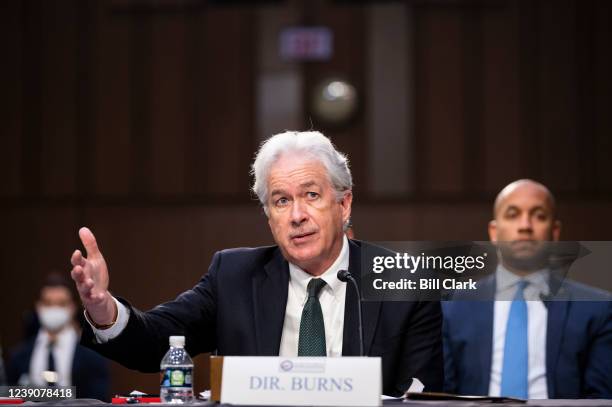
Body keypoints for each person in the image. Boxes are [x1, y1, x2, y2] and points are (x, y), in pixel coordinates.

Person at [70, 131, 443, 396]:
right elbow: (156, 343)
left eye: (311, 195)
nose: (296, 215)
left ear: (343, 205)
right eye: (281, 201)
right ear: (270, 218)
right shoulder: (234, 276)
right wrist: (105, 310)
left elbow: (422, 393)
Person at [442, 179, 612, 399]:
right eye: (512, 214)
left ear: (555, 232)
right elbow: (442, 396)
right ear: (494, 232)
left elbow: (600, 400)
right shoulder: (453, 306)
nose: (525, 226)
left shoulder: (597, 310)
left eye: (539, 215)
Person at [6, 273, 110, 400]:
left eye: (61, 303)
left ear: (72, 307)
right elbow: (8, 397)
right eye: (48, 303)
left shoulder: (93, 357)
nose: (54, 309)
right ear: (38, 307)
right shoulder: (18, 356)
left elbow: (98, 399)